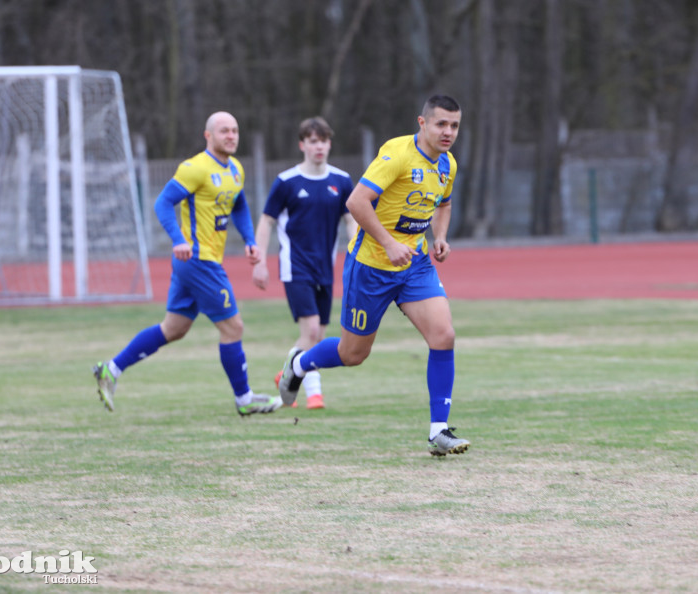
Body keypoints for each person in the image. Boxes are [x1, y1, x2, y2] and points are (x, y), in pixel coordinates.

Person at [272, 95, 470, 456]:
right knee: (353, 354)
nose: (449, 132)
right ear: (422, 123)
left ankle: (438, 431)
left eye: (454, 125)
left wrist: (439, 238)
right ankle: (298, 363)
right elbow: (356, 202)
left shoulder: (448, 164)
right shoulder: (396, 154)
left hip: (415, 264)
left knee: (444, 335)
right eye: (441, 124)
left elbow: (444, 202)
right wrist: (389, 244)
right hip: (371, 266)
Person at [93, 111, 275, 416]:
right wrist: (178, 239)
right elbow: (162, 202)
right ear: (208, 136)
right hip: (198, 260)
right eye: (223, 131)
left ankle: (111, 369)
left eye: (234, 130)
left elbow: (239, 204)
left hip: (198, 263)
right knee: (234, 327)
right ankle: (244, 399)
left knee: (174, 328)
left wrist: (249, 240)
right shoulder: (194, 168)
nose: (231, 136)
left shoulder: (236, 169)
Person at [252, 116, 357, 409]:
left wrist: (355, 248)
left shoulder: (341, 180)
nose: (319, 146)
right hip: (295, 266)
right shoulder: (286, 182)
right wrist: (259, 262)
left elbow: (351, 220)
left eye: (323, 140)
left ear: (329, 144)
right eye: (313, 141)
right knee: (311, 332)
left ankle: (287, 373)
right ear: (302, 145)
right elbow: (266, 222)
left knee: (320, 335)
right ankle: (314, 394)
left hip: (326, 267)